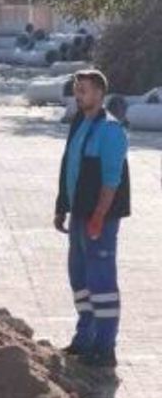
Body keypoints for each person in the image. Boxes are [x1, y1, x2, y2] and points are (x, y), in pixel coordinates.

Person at [55, 69, 130, 368]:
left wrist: (99, 215)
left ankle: (105, 347)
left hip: (100, 219)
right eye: (77, 89)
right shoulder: (79, 122)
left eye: (83, 89)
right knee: (80, 278)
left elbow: (111, 180)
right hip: (79, 215)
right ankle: (84, 339)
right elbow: (69, 166)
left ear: (99, 93)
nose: (78, 94)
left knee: (101, 282)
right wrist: (62, 205)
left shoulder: (110, 130)